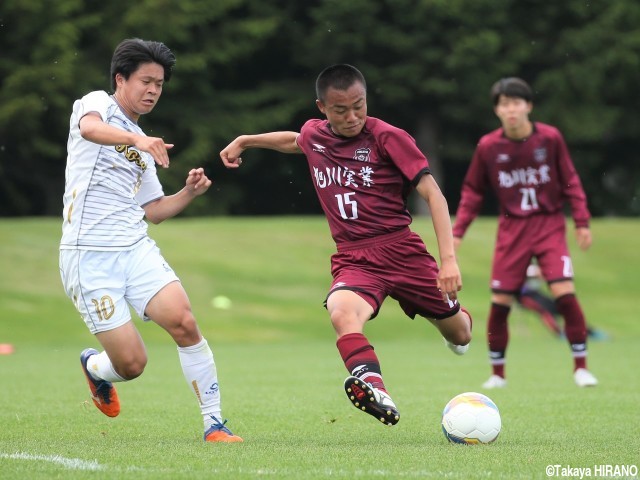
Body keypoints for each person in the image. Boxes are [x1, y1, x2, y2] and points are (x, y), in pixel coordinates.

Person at [220, 64, 472, 426]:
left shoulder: (389, 137)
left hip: (402, 252)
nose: (352, 117)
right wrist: (246, 140)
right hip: (355, 258)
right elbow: (295, 140)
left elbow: (434, 195)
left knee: (460, 334)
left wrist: (448, 261)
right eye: (341, 110)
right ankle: (374, 386)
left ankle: (445, 319)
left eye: (360, 105)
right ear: (322, 107)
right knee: (341, 312)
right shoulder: (315, 135)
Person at [59, 38, 242, 443]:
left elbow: (155, 210)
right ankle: (95, 369)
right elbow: (89, 129)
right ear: (120, 79)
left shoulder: (143, 145)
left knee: (185, 322)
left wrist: (190, 193)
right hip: (87, 256)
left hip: (134, 248)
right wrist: (137, 140)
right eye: (145, 81)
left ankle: (215, 424)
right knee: (132, 364)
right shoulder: (97, 106)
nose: (153, 90)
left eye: (159, 83)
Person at [452, 77, 598, 389]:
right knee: (500, 301)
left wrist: (582, 221)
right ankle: (497, 375)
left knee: (564, 293)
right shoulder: (489, 147)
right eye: (504, 104)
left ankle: (581, 367)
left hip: (548, 226)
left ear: (528, 106)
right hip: (512, 229)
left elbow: (570, 180)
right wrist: (458, 231)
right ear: (497, 110)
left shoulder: (550, 139)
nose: (511, 109)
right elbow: (473, 192)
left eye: (517, 102)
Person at [518, 263, 607, 341]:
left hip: (535, 292)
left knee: (564, 309)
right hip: (523, 295)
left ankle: (588, 331)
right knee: (544, 311)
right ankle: (560, 334)